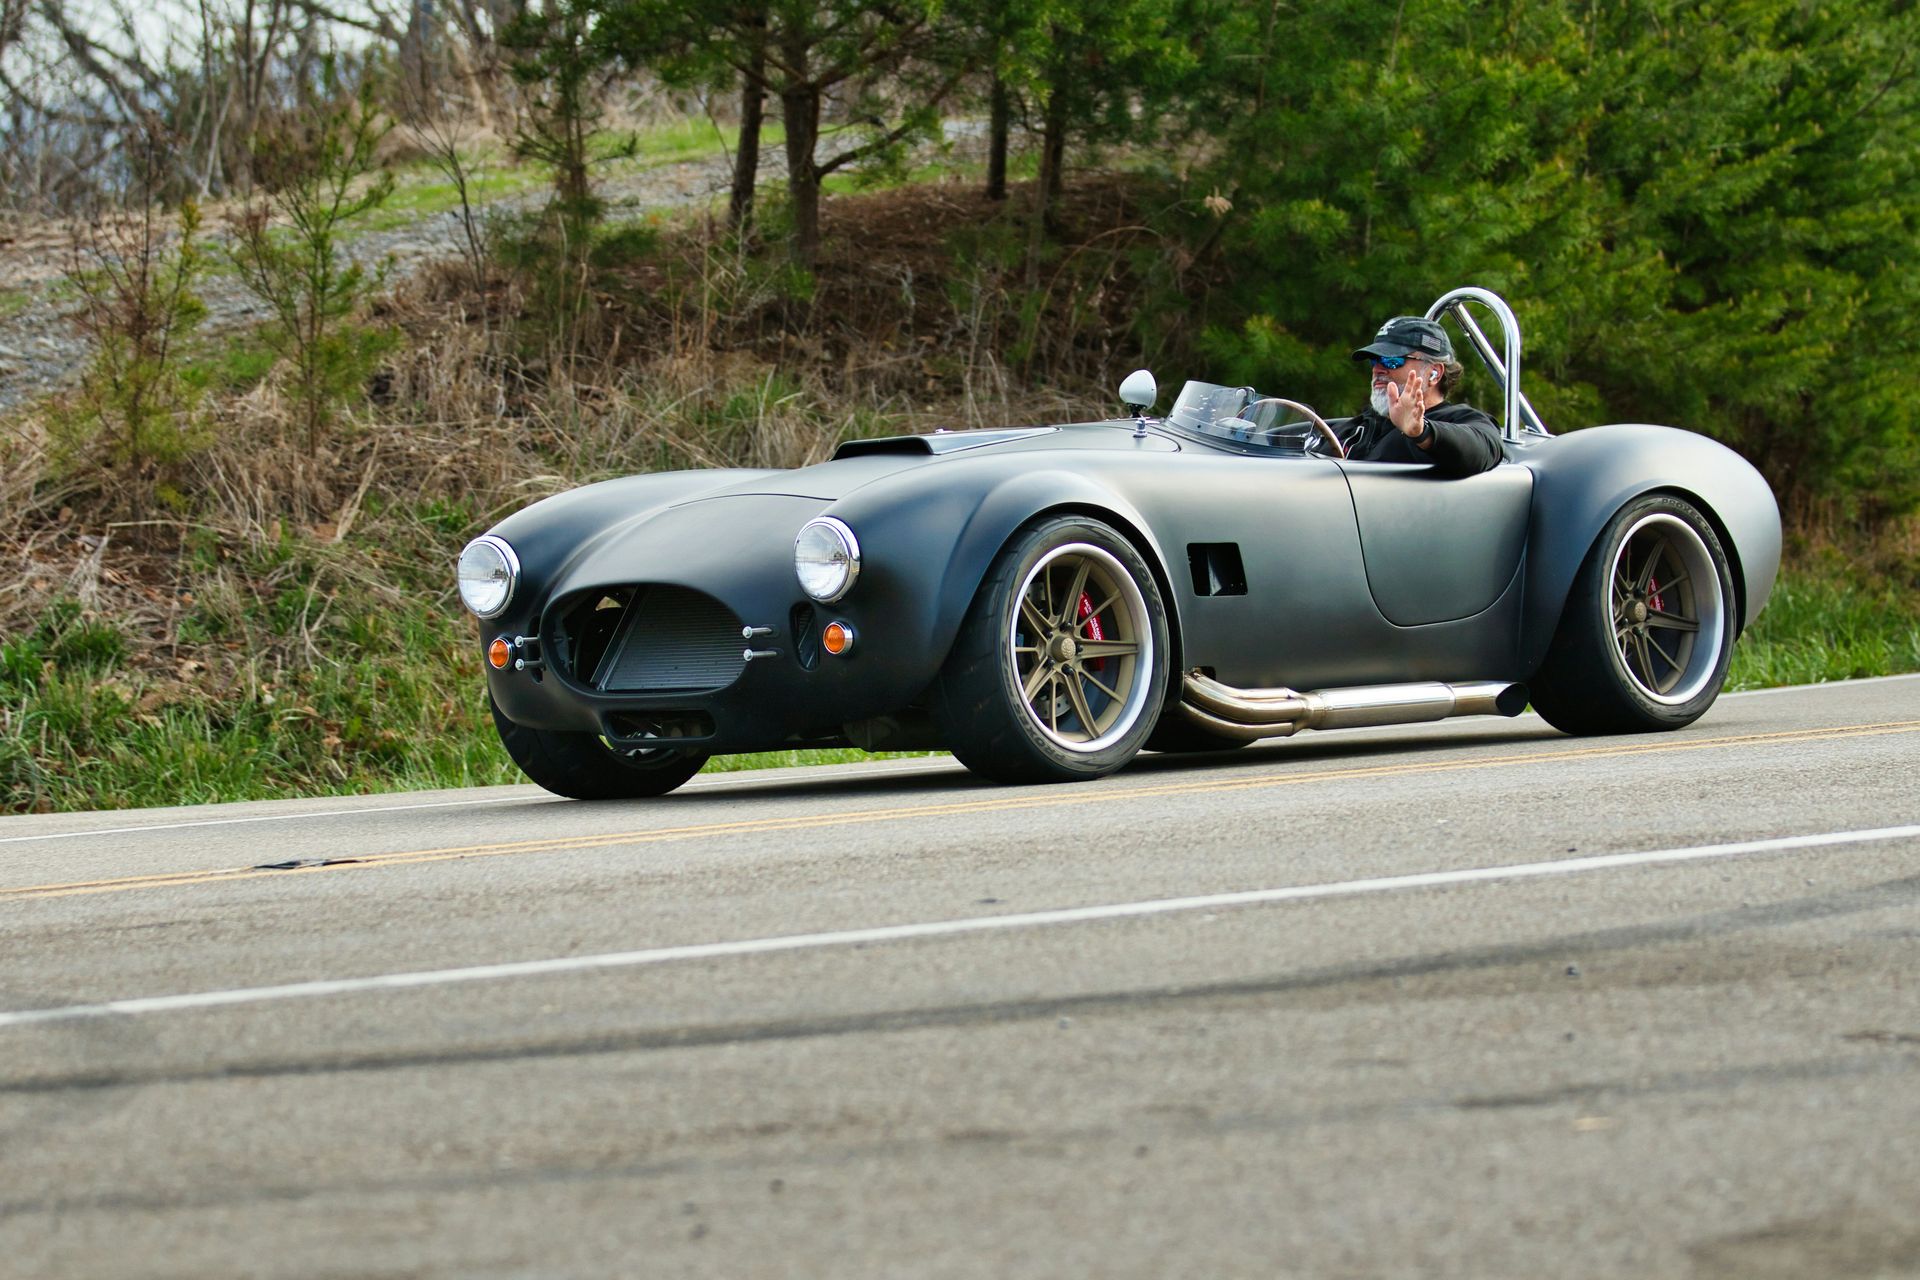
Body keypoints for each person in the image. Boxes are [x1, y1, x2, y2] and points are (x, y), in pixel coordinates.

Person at [1340, 316, 1502, 477]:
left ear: (1434, 373)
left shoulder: (1458, 420)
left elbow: (1484, 449)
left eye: (1392, 361)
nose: (1378, 369)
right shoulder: (1364, 424)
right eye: (1374, 361)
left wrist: (1422, 433)